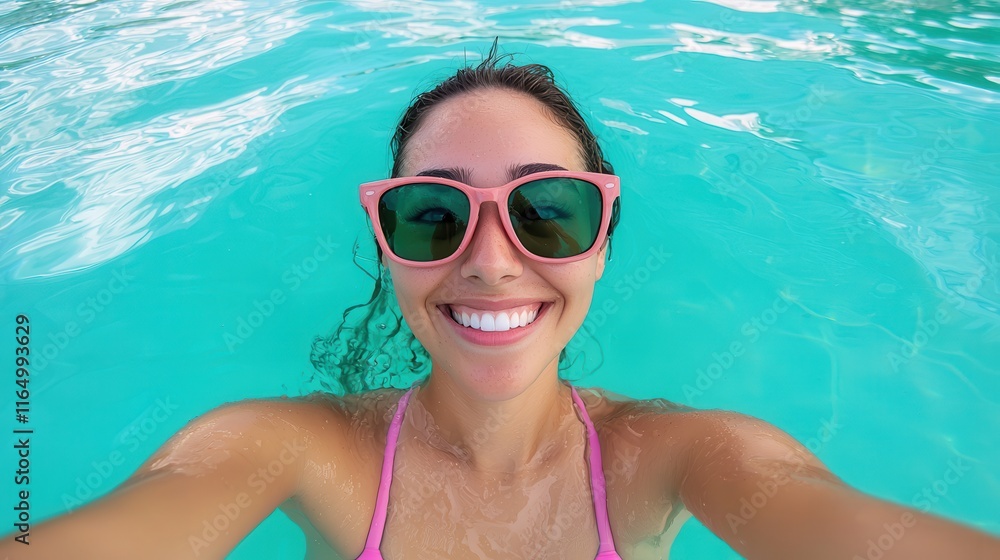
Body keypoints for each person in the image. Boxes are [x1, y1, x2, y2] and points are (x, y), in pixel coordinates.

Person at [4, 47, 999, 560]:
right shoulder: (292, 447)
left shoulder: (680, 457)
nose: (488, 262)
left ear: (601, 247)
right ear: (388, 248)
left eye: (548, 212)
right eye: (434, 216)